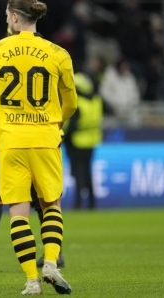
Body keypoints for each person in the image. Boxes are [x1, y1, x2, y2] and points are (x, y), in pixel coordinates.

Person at [0, 0, 77, 295]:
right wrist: (54, 123)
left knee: (18, 212)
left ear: (17, 18)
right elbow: (71, 103)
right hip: (46, 140)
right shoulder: (59, 54)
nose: (6, 20)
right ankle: (50, 264)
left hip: (10, 143)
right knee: (50, 205)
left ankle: (32, 281)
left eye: (8, 15)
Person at [63, 73, 103, 210]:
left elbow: (72, 126)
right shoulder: (96, 100)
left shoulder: (78, 103)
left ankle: (78, 204)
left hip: (76, 143)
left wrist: (63, 138)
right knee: (88, 174)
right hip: (91, 142)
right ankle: (92, 204)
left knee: (78, 174)